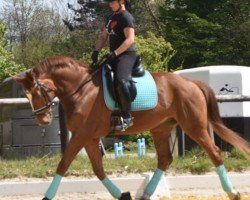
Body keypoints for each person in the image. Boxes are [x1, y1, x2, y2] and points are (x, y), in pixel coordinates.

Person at [91, 0, 137, 131]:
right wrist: (96, 51)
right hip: (113, 55)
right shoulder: (110, 18)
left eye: (112, 1)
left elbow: (130, 40)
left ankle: (127, 116)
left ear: (121, 1)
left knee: (121, 80)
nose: (110, 4)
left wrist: (115, 53)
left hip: (127, 55)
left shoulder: (126, 17)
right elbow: (103, 36)